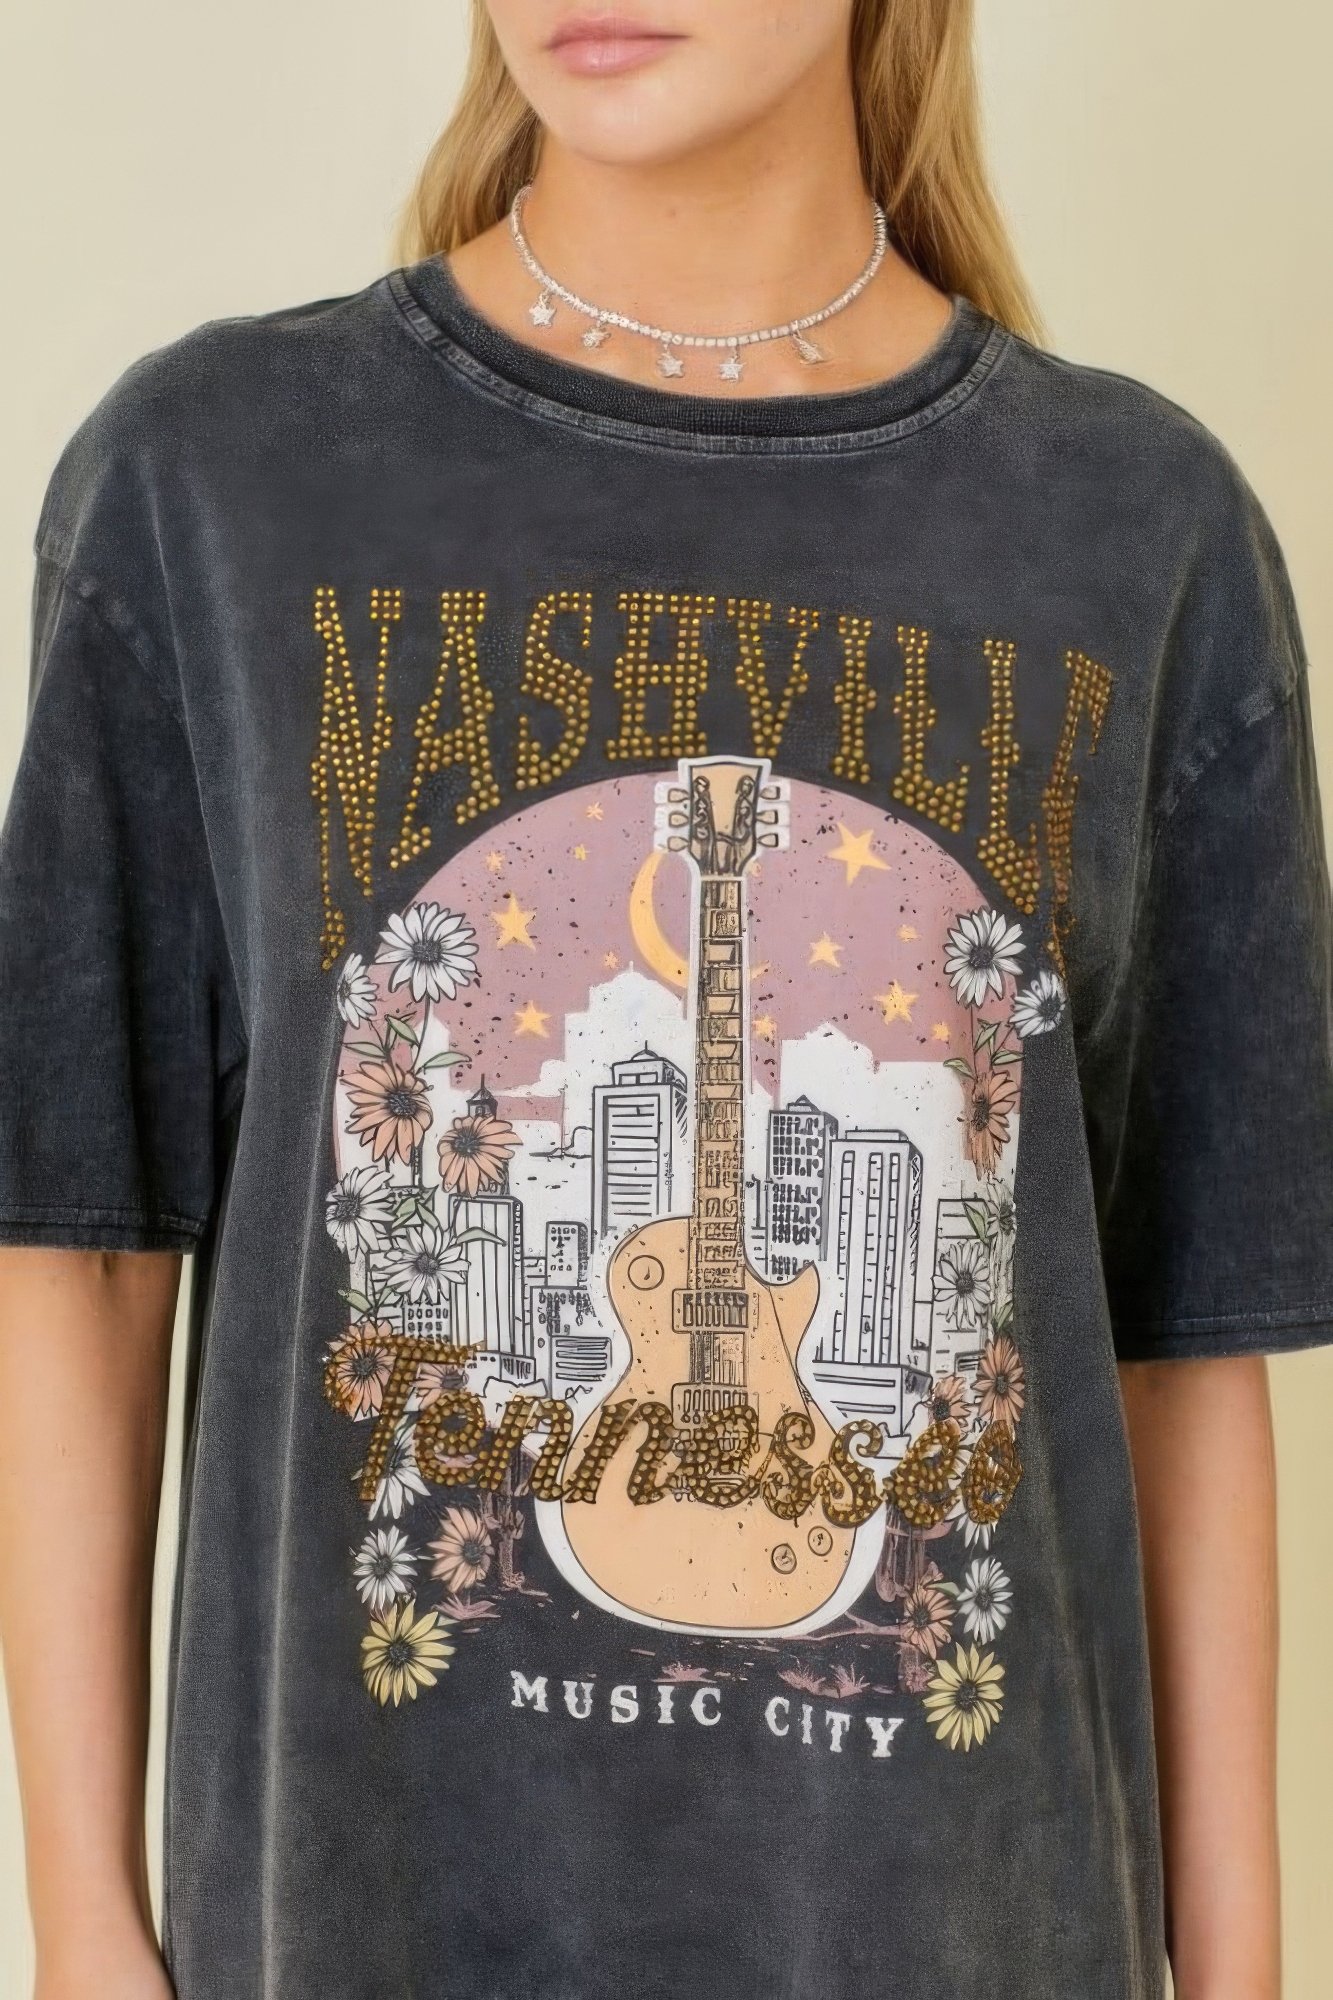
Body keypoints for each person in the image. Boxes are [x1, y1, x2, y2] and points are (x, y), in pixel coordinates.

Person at [0, 3, 1329, 1996]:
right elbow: (82, 1247)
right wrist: (84, 1930)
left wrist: (1239, 1975)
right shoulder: (217, 480)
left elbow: (1177, 1351)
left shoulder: (1137, 530)